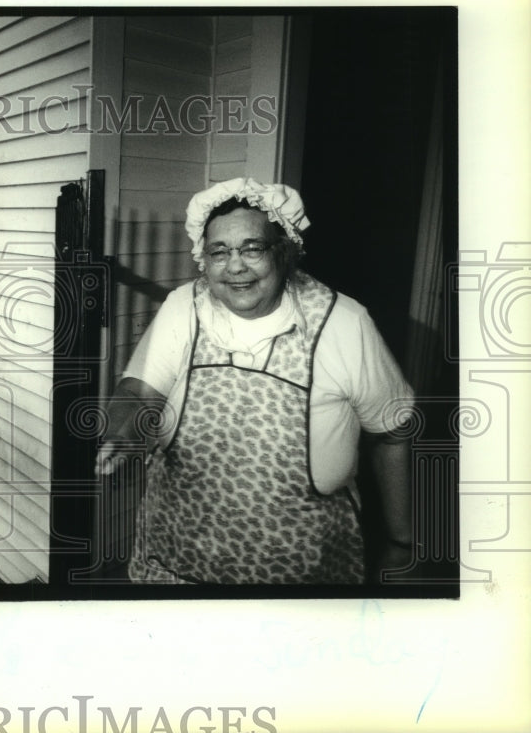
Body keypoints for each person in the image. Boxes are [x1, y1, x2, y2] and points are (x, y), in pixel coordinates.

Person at [96, 177, 415, 585]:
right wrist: (122, 431)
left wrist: (401, 542)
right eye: (219, 252)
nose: (235, 267)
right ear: (203, 258)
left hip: (301, 571)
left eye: (252, 248)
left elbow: (392, 432)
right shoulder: (184, 308)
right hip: (175, 563)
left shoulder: (344, 323)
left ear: (284, 252)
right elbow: (139, 392)